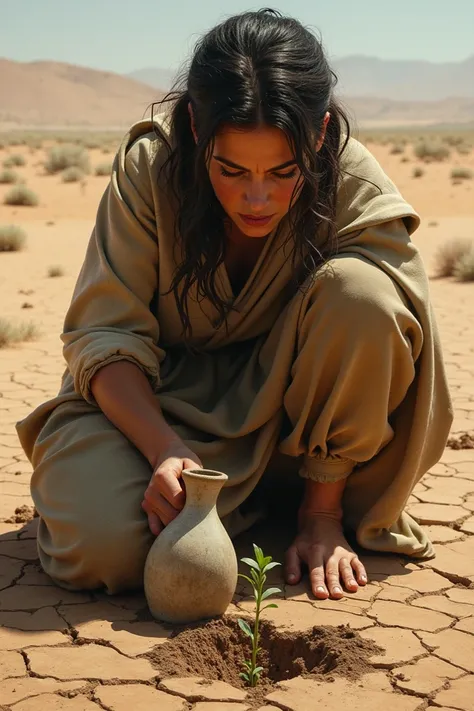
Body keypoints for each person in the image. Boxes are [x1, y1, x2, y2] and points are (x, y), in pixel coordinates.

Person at [16, 8, 452, 602]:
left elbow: (387, 327)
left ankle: (309, 509)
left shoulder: (354, 185)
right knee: (102, 548)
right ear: (196, 127)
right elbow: (104, 335)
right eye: (230, 169)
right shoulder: (152, 170)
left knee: (365, 292)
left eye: (282, 171)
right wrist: (164, 450)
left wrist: (324, 514)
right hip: (156, 413)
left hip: (297, 425)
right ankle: (238, 508)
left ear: (320, 134)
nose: (256, 198)